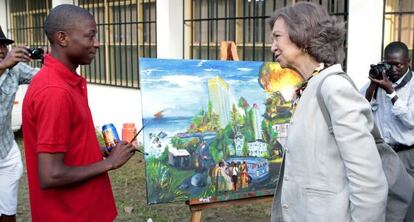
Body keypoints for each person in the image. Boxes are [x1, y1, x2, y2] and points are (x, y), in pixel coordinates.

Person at [268, 2, 387, 222]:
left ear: (303, 37)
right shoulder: (310, 87)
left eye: (277, 37)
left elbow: (368, 182)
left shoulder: (334, 88)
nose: (272, 46)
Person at [22, 4, 136, 222]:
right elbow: (50, 175)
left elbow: (66, 143)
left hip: (86, 210)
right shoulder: (54, 91)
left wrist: (98, 151)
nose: (97, 43)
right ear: (62, 38)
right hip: (70, 215)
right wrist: (110, 163)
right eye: (90, 36)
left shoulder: (66, 81)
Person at [362, 41, 414, 221]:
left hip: (407, 154)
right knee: (383, 202)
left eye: (398, 64)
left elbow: (411, 121)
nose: (393, 69)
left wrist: (391, 93)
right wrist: (372, 86)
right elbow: (360, 109)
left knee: (408, 203)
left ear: (408, 62)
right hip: (382, 152)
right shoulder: (381, 81)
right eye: (389, 64)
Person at [0, 26, 40, 222]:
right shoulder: (5, 66)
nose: (1, 50)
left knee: (7, 212)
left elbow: (42, 77)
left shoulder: (14, 68)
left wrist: (49, 58)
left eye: (3, 45)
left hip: (6, 152)